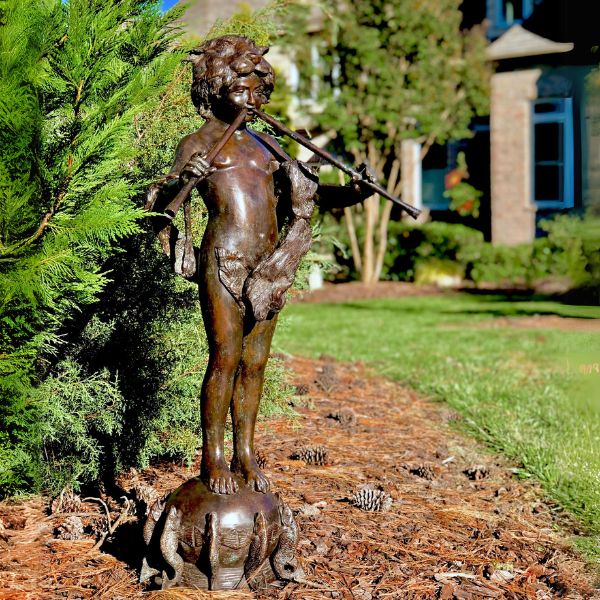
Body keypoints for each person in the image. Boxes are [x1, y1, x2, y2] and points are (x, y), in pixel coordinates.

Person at [147, 35, 373, 495]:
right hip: (223, 259)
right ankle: (213, 457)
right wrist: (182, 181)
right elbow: (161, 209)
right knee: (226, 357)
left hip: (267, 265)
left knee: (256, 361)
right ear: (214, 89)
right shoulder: (199, 144)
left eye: (257, 91)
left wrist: (354, 192)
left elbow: (309, 195)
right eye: (239, 90)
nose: (251, 100)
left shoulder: (270, 146)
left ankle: (244, 454)